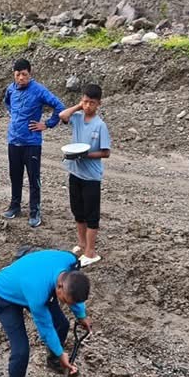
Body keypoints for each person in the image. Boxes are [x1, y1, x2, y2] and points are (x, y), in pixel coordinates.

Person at [0, 249, 91, 377]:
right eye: (65, 301)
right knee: (21, 351)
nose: (66, 304)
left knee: (63, 325)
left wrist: (81, 315)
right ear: (59, 287)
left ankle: (52, 362)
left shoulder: (71, 263)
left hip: (30, 282)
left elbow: (75, 290)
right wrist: (61, 352)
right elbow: (45, 328)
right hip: (3, 296)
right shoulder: (38, 293)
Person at [2, 58, 65, 228]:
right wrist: (14, 116)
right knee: (15, 176)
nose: (21, 78)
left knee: (33, 178)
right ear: (14, 75)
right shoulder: (11, 89)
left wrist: (47, 124)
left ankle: (34, 211)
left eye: (24, 74)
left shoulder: (38, 90)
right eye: (18, 75)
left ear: (30, 74)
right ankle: (15, 206)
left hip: (32, 143)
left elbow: (59, 106)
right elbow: (7, 102)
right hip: (13, 140)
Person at [59, 84, 112, 267]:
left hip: (91, 177)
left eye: (92, 103)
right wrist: (78, 106)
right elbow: (62, 116)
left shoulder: (100, 126)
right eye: (85, 101)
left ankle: (91, 251)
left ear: (99, 104)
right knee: (78, 212)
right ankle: (81, 244)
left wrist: (86, 155)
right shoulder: (77, 118)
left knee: (91, 215)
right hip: (75, 172)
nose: (88, 105)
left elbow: (106, 153)